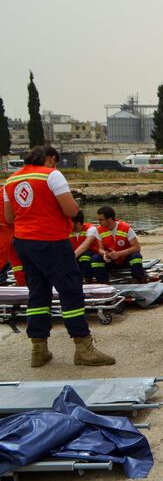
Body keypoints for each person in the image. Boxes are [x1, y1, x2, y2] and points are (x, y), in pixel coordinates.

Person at [5, 146, 114, 367]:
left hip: (24, 243)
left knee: (37, 293)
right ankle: (83, 348)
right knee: (71, 291)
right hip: (51, 241)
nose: (55, 165)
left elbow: (9, 217)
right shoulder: (51, 175)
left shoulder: (10, 180)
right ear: (51, 158)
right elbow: (71, 211)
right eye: (55, 161)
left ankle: (39, 349)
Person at [96, 206, 146, 283]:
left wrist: (119, 254)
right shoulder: (99, 230)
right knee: (95, 259)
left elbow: (137, 247)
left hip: (125, 260)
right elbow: (100, 249)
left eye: (101, 220)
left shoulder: (125, 228)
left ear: (109, 220)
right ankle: (103, 284)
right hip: (111, 261)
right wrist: (104, 254)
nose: (98, 222)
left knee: (136, 256)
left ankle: (138, 281)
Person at [70, 210, 107, 284]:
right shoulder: (67, 230)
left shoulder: (91, 229)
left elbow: (86, 246)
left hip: (92, 255)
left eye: (69, 222)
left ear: (78, 223)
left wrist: (70, 257)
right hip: (76, 256)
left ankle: (88, 281)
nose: (67, 224)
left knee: (84, 257)